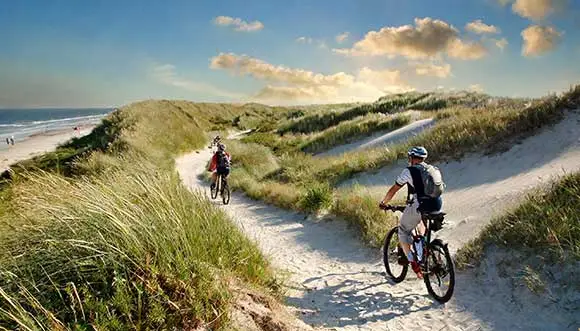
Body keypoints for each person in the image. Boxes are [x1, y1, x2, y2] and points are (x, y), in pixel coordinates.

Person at [379, 146, 443, 278]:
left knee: (403, 229)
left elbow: (394, 190)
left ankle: (414, 263)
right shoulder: (431, 169)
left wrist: (384, 203)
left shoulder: (409, 171)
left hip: (421, 204)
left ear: (412, 158)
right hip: (437, 203)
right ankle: (423, 248)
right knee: (419, 222)